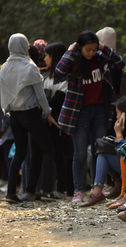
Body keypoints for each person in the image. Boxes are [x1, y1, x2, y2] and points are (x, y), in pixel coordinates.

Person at [56, 30, 126, 202]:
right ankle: (78, 190)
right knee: (79, 153)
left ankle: (97, 189)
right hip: (79, 112)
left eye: (94, 49)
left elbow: (120, 62)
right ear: (80, 48)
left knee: (99, 150)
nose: (91, 53)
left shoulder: (101, 58)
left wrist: (103, 47)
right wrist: (71, 50)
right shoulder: (74, 61)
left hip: (100, 111)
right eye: (88, 49)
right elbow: (59, 70)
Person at [0, 33, 59, 203]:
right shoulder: (30, 67)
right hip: (31, 114)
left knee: (20, 153)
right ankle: (46, 190)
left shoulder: (4, 68)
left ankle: (14, 192)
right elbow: (40, 95)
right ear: (25, 46)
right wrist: (47, 113)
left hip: (14, 116)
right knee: (48, 149)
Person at [80, 96, 126, 207]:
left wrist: (118, 134)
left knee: (103, 155)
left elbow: (125, 152)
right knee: (104, 151)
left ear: (124, 114)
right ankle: (117, 187)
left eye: (118, 113)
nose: (116, 116)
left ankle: (97, 192)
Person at [41, 42, 74, 198]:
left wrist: (43, 107)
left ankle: (65, 189)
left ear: (53, 57)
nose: (44, 58)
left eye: (47, 56)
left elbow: (56, 101)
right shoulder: (48, 77)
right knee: (55, 155)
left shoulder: (65, 78)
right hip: (49, 122)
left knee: (64, 155)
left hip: (63, 123)